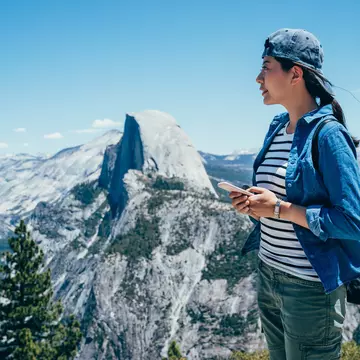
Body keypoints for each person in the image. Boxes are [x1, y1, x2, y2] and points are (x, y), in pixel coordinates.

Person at [230, 28, 360, 360]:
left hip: (308, 289)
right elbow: (278, 197)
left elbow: (352, 221)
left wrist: (279, 209)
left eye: (266, 66)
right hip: (268, 273)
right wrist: (254, 205)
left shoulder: (329, 135)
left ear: (295, 74)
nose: (258, 77)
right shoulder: (277, 127)